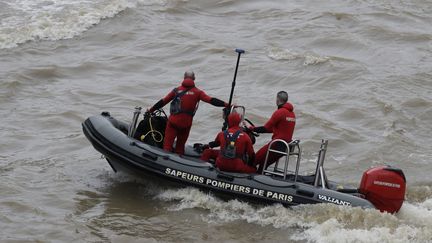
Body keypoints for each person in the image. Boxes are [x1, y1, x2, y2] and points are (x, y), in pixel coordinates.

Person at [148, 71, 227, 155]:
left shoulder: (176, 90)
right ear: (194, 78)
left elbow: (163, 101)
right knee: (180, 147)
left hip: (173, 123)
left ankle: (164, 163)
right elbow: (212, 100)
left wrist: (151, 110)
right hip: (186, 124)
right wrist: (227, 104)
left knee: (167, 145)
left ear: (184, 78)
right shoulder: (198, 92)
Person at [250, 91, 296, 172]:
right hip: (285, 147)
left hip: (276, 145)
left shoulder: (280, 112)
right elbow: (272, 129)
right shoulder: (292, 114)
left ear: (277, 100)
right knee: (264, 164)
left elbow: (266, 128)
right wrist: (255, 129)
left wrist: (251, 128)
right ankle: (260, 177)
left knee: (254, 160)